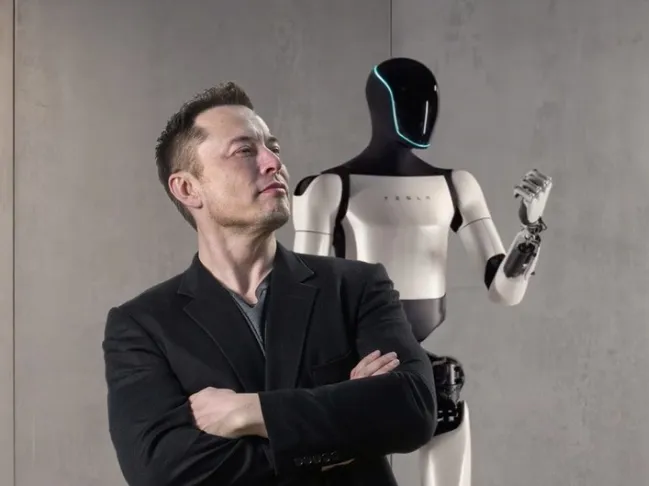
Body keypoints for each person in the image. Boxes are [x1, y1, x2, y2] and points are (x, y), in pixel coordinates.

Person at [102, 82, 438, 486]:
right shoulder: (143, 325)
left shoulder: (357, 287)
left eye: (273, 147)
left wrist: (249, 412)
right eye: (244, 151)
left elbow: (413, 408)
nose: (272, 162)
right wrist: (343, 430)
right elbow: (161, 470)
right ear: (188, 188)